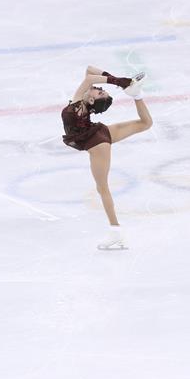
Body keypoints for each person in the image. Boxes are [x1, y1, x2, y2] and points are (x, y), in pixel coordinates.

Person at [61, 66, 151, 250]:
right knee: (146, 123)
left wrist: (120, 82)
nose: (99, 88)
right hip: (99, 133)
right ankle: (137, 95)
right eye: (100, 89)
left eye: (100, 91)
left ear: (92, 99)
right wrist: (126, 86)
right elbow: (89, 70)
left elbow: (88, 79)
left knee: (102, 188)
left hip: (97, 143)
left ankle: (116, 232)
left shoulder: (77, 105)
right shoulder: (80, 102)